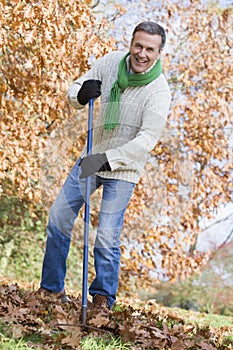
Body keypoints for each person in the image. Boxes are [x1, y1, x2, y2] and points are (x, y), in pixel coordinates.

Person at [39, 21, 171, 315]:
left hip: (123, 168)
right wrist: (81, 93)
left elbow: (146, 139)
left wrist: (108, 159)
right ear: (131, 43)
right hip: (92, 155)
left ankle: (102, 300)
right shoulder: (111, 62)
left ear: (159, 53)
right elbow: (76, 88)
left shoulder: (159, 91)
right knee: (59, 215)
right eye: (138, 46)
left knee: (107, 236)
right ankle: (51, 289)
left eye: (150, 49)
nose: (142, 54)